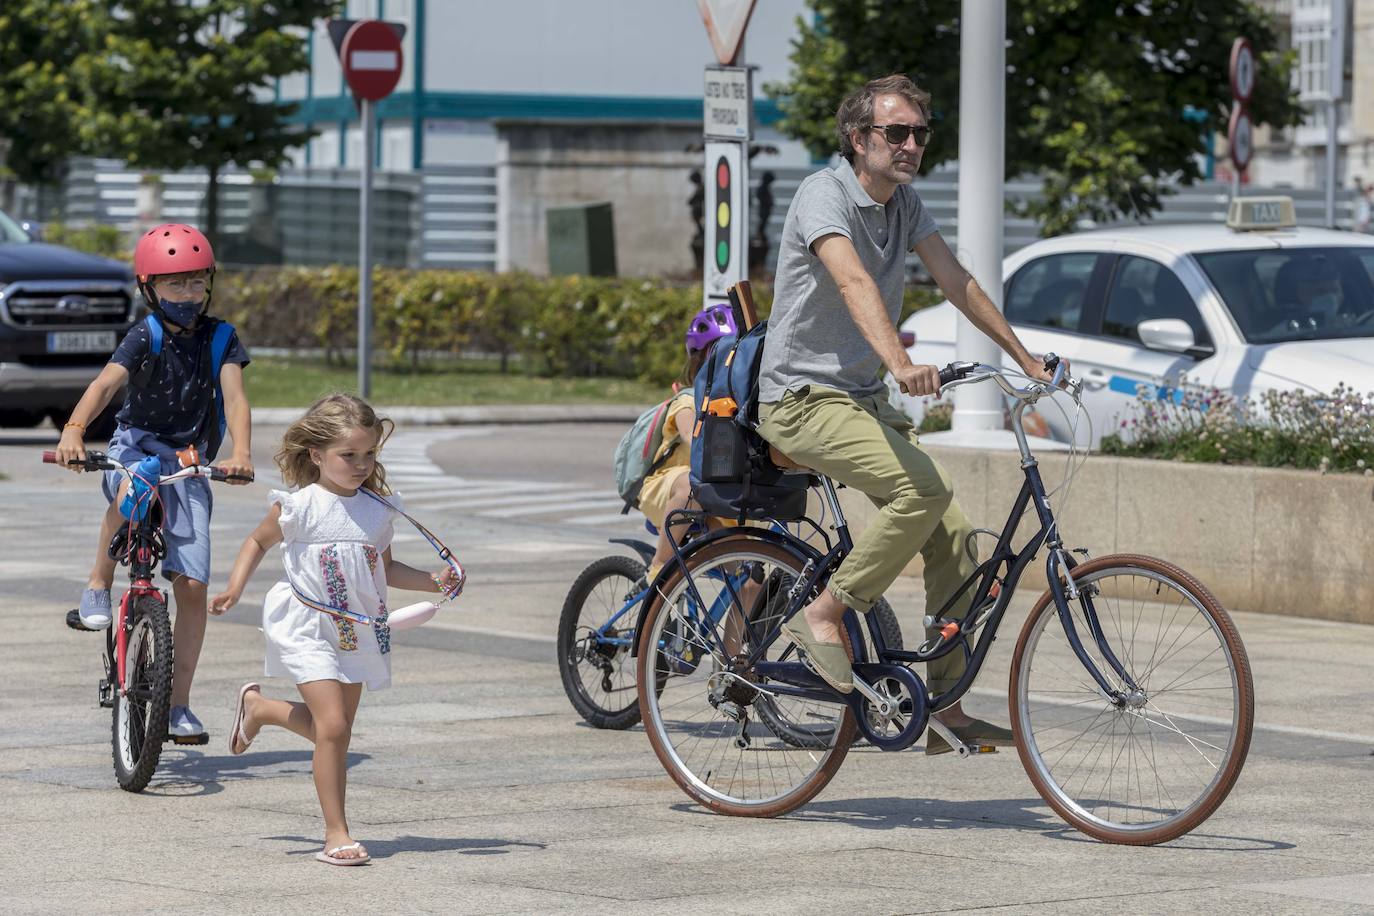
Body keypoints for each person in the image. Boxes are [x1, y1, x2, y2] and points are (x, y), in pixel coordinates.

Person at [756, 74, 1061, 754]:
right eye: (897, 133)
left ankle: (944, 707)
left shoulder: (905, 205)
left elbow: (957, 281)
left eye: (920, 133)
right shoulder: (822, 195)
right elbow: (852, 280)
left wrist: (1023, 357)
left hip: (861, 401)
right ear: (860, 139)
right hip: (800, 398)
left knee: (953, 536)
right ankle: (825, 614)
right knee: (920, 488)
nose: (912, 144)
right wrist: (899, 362)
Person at [209, 395, 461, 866]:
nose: (361, 464)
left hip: (357, 627)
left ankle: (259, 708)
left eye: (369, 454)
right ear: (317, 455)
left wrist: (432, 580)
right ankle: (336, 832)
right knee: (334, 725)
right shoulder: (299, 505)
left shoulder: (379, 510)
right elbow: (257, 541)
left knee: (335, 733)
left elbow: (382, 568)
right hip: (305, 623)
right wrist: (234, 589)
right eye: (349, 455)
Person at [55, 222, 253, 740]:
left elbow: (235, 399)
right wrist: (74, 431)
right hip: (137, 445)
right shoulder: (146, 334)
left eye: (195, 283)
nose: (188, 294)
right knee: (135, 484)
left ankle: (178, 705)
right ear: (149, 289)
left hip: (189, 459)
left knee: (191, 585)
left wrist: (242, 454)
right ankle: (98, 585)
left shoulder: (222, 338)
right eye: (174, 284)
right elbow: (105, 384)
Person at [639, 305, 736, 584]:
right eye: (718, 352)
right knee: (695, 485)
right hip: (669, 489)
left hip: (714, 496)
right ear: (699, 360)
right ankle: (659, 567)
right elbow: (694, 440)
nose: (728, 361)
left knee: (750, 579)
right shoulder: (686, 400)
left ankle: (735, 630)